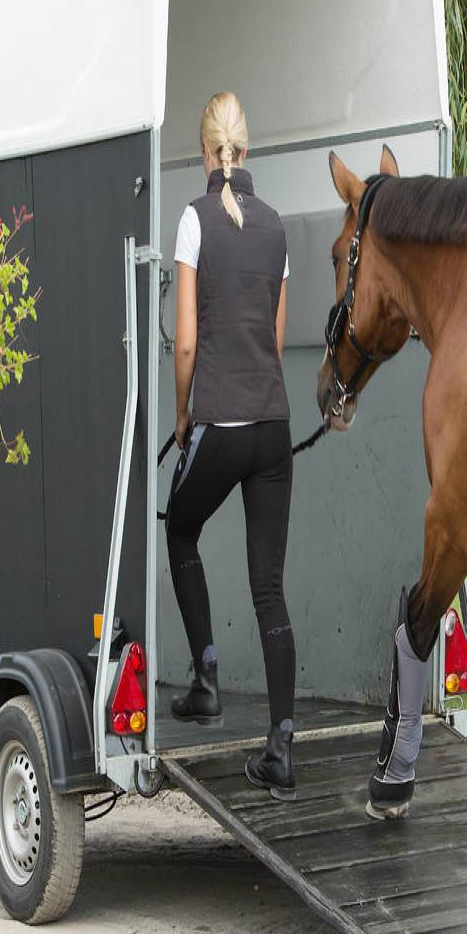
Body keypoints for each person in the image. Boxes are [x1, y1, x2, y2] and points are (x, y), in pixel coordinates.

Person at [165, 91, 296, 802]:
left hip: (218, 423)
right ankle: (281, 748)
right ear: (247, 150)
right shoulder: (276, 227)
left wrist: (184, 414)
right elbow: (273, 340)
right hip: (272, 429)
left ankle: (206, 679)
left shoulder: (194, 219)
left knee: (180, 528)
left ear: (205, 152)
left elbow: (186, 342)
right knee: (269, 587)